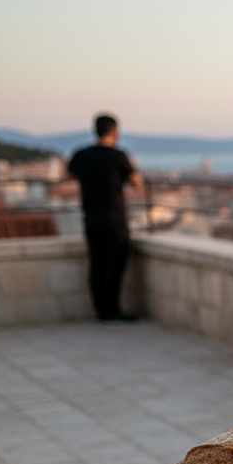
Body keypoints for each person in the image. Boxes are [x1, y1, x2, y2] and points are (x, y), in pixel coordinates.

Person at [67, 114, 142, 323]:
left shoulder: (81, 154)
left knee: (97, 264)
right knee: (114, 265)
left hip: (91, 217)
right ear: (115, 133)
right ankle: (112, 311)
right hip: (114, 218)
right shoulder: (118, 156)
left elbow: (69, 174)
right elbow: (136, 182)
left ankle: (101, 311)